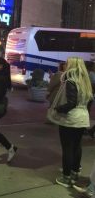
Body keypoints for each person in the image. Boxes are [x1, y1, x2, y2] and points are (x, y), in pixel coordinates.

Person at [50, 57, 93, 188]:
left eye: (67, 63)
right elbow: (90, 101)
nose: (65, 65)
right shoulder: (85, 81)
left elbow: (71, 103)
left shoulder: (70, 81)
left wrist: (58, 108)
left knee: (67, 148)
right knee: (76, 146)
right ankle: (74, 173)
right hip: (82, 117)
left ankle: (66, 178)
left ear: (72, 65)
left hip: (71, 118)